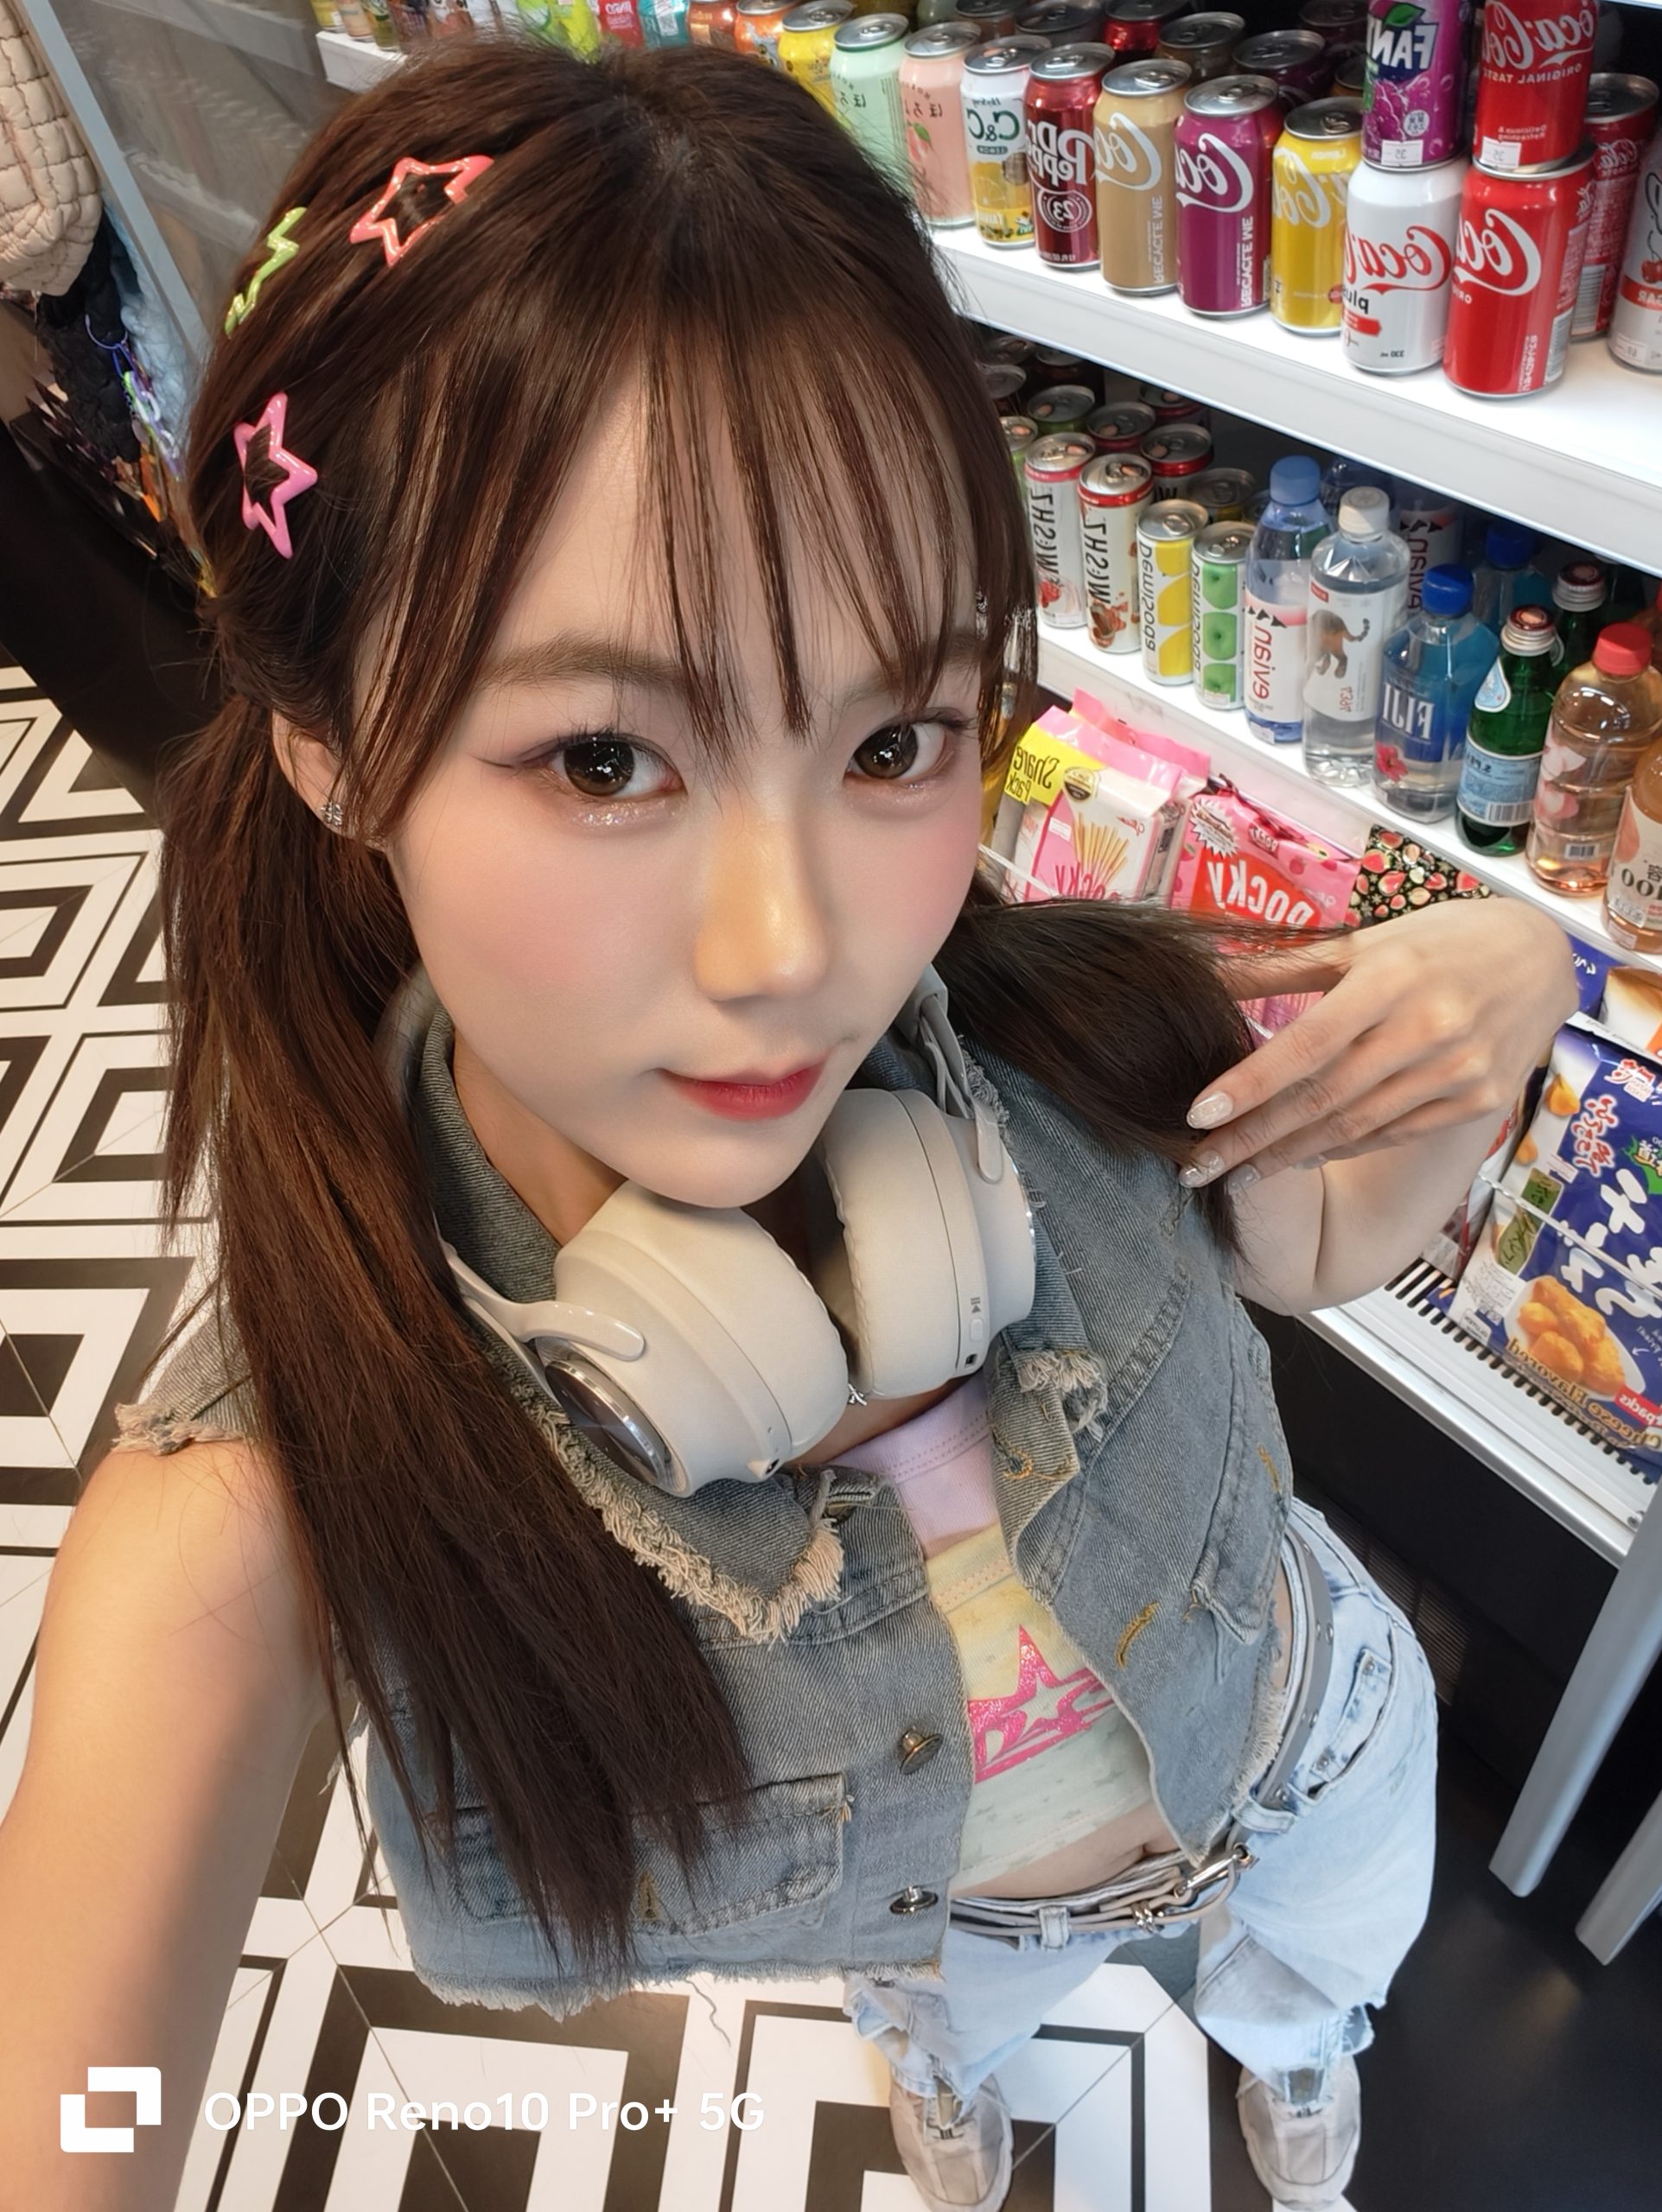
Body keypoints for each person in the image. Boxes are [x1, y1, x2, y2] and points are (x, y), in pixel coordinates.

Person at [0, 37, 1575, 2212]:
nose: (794, 951)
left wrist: (1507, 965)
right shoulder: (282, 1478)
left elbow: (1326, 1231)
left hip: (1316, 1747)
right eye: (604, 759)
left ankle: (1296, 2059)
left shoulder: (1073, 1045)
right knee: (968, 2025)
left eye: (894, 737)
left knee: (1318, 1987)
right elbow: (70, 2121)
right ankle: (969, 2095)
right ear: (332, 743)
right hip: (958, 1931)